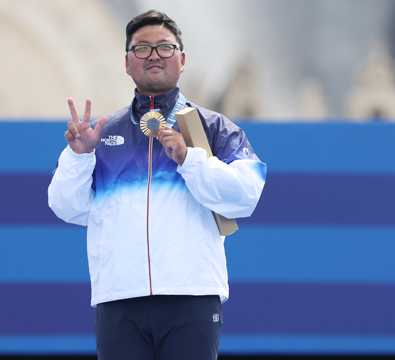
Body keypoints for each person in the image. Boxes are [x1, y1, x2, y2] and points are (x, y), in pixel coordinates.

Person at [48, 10, 266, 360]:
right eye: (142, 48)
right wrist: (78, 157)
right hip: (119, 299)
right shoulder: (100, 135)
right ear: (126, 62)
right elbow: (67, 207)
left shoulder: (215, 128)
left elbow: (246, 196)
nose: (153, 55)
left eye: (164, 48)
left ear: (181, 59)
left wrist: (189, 160)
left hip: (192, 298)